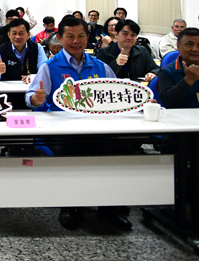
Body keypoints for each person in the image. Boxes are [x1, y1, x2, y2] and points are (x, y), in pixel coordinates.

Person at [24, 16, 129, 231]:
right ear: (60, 38)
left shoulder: (100, 67)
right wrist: (37, 98)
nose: (75, 41)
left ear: (87, 38)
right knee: (72, 151)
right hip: (62, 130)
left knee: (116, 150)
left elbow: (116, 94)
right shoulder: (50, 66)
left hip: (96, 128)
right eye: (69, 36)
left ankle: (108, 209)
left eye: (81, 36)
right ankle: (70, 206)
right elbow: (31, 97)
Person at [159, 28, 199, 108]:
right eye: (190, 44)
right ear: (178, 46)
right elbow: (168, 102)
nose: (195, 49)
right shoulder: (167, 72)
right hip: (180, 118)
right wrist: (188, 80)